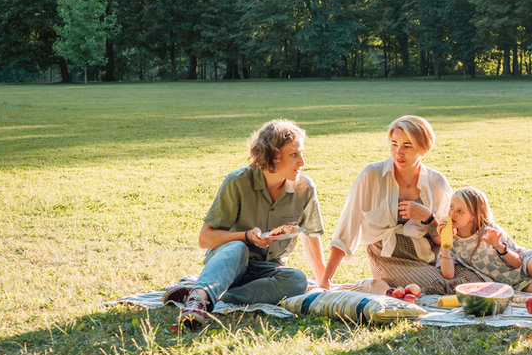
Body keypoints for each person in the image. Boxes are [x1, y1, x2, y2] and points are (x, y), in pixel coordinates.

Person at [164, 119, 326, 328]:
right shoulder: (237, 182)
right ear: (272, 156)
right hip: (229, 263)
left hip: (266, 271)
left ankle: (213, 296)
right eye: (294, 155)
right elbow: (205, 239)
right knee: (238, 248)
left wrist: (324, 282)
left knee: (297, 280)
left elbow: (310, 235)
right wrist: (245, 236)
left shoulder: (305, 187)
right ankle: (197, 300)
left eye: (301, 153)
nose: (302, 162)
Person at [319, 116, 482, 294]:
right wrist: (326, 280)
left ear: (423, 148)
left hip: (428, 256)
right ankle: (374, 287)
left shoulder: (436, 182)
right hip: (389, 258)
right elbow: (346, 228)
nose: (398, 152)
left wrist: (427, 218)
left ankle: (384, 288)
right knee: (441, 287)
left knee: (473, 280)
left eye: (407, 145)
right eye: (394, 144)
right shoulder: (372, 176)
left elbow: (443, 240)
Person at [441, 187, 532, 294]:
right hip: (514, 282)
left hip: (524, 262)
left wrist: (498, 245)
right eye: (451, 207)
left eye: (460, 211)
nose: (452, 214)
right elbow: (448, 275)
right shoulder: (452, 241)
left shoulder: (488, 229)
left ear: (474, 216)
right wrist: (445, 244)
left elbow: (517, 263)